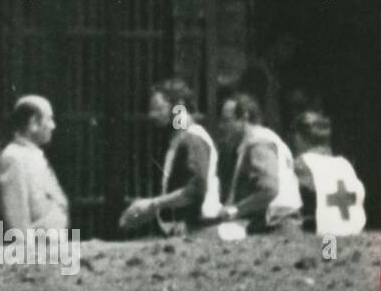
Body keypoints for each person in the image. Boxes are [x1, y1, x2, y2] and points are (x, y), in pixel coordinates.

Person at [119, 79, 221, 236]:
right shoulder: (180, 138)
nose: (152, 115)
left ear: (178, 106)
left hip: (198, 228)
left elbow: (196, 189)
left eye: (159, 108)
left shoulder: (192, 138)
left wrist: (153, 204)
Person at [215, 92, 303, 234]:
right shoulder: (264, 138)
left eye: (226, 120)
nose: (221, 126)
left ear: (244, 117)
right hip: (281, 221)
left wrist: (235, 209)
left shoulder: (258, 143)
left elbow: (270, 189)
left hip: (276, 225)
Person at [0, 95, 69, 233]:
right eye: (49, 119)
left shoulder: (32, 155)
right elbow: (17, 220)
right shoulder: (14, 158)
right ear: (33, 123)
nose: (53, 126)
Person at [291, 110, 366, 237]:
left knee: (329, 256)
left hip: (327, 239)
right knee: (343, 256)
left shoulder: (302, 164)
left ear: (298, 137)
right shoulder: (344, 165)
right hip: (354, 237)